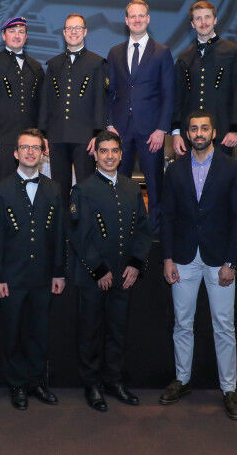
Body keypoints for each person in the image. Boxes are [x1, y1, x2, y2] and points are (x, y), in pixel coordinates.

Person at [160, 109, 237, 420]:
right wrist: (168, 257)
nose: (198, 133)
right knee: (182, 323)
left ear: (213, 133)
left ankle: (229, 388)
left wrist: (231, 262)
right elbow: (167, 217)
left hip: (219, 260)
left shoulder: (231, 169)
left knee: (224, 325)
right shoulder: (175, 170)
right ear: (186, 134)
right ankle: (182, 381)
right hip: (183, 258)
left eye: (204, 128)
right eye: (193, 128)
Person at [68, 130, 151, 412]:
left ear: (121, 154)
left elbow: (142, 229)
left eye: (114, 151)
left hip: (124, 276)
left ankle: (113, 381)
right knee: (90, 332)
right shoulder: (83, 189)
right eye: (104, 151)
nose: (109, 156)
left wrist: (136, 264)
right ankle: (91, 385)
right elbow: (79, 235)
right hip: (94, 277)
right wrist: (99, 269)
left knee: (117, 332)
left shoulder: (131, 187)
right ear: (95, 154)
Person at [0, 129, 64, 410]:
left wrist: (59, 272)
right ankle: (17, 385)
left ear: (43, 153)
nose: (31, 152)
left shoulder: (54, 189)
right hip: (11, 277)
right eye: (25, 148)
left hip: (43, 276)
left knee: (39, 332)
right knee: (13, 333)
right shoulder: (1, 189)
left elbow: (58, 234)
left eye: (36, 148)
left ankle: (38, 382)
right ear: (16, 153)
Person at [106, 0, 174, 232]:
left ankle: (155, 232)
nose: (136, 19)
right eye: (132, 16)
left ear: (148, 19)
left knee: (155, 184)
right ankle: (124, 227)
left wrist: (161, 129)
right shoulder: (114, 53)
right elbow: (110, 92)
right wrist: (110, 124)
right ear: (126, 21)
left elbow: (168, 94)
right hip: (121, 130)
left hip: (150, 131)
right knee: (120, 184)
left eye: (141, 15)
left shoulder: (162, 52)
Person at [38, 13, 107, 208]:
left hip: (85, 137)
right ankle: (63, 233)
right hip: (57, 136)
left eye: (77, 28)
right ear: (64, 33)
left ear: (85, 32)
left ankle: (83, 234)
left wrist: (97, 134)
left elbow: (100, 101)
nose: (73, 32)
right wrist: (43, 133)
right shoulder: (53, 64)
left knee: (85, 188)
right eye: (69, 28)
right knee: (59, 189)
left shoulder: (97, 63)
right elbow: (46, 101)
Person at [171, 1, 237, 156]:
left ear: (215, 20)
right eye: (198, 18)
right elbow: (178, 98)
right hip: (191, 136)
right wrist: (176, 133)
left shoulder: (233, 52)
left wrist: (235, 129)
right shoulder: (184, 57)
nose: (203, 22)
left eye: (207, 17)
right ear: (193, 24)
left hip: (223, 133)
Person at [0, 16, 44, 186]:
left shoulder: (36, 67)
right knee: (1, 186)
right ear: (3, 36)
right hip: (0, 139)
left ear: (26, 37)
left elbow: (43, 104)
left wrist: (42, 136)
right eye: (12, 31)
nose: (17, 35)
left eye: (21, 32)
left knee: (29, 185)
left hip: (29, 142)